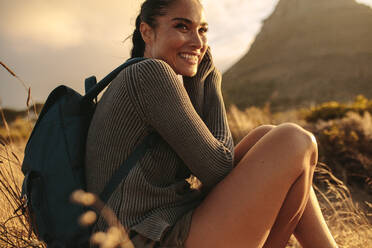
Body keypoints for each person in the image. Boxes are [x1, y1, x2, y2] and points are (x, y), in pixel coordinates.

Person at [85, 0, 339, 247]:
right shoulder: (150, 74)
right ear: (147, 32)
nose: (198, 42)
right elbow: (218, 168)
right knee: (294, 140)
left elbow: (210, 166)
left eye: (202, 30)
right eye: (182, 27)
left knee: (266, 135)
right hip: (144, 238)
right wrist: (209, 80)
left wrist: (197, 82)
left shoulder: (140, 76)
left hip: (166, 225)